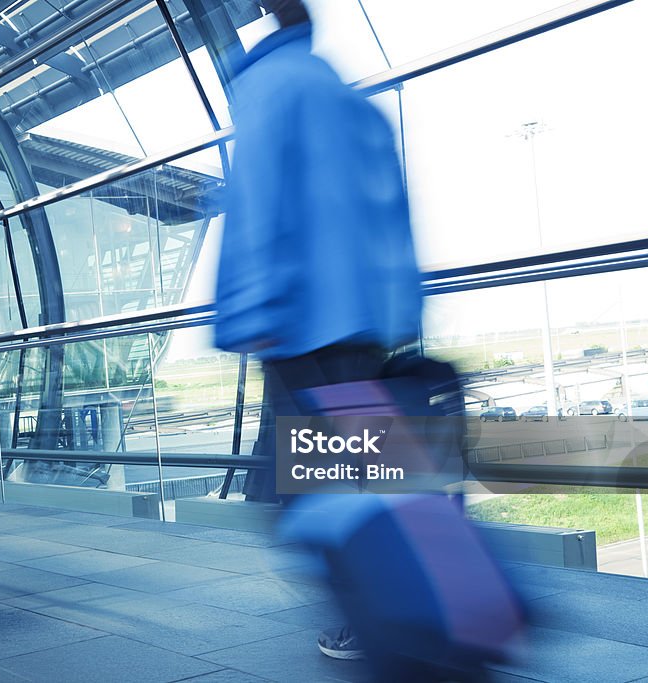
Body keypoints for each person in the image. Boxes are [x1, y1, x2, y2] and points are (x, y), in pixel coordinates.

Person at [213, 0, 422, 660]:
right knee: (373, 472)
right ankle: (413, 603)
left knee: (307, 489)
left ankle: (369, 616)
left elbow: (256, 208)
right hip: (367, 327)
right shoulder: (348, 97)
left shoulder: (269, 90)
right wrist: (400, 314)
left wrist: (249, 314)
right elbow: (393, 214)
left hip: (302, 328)